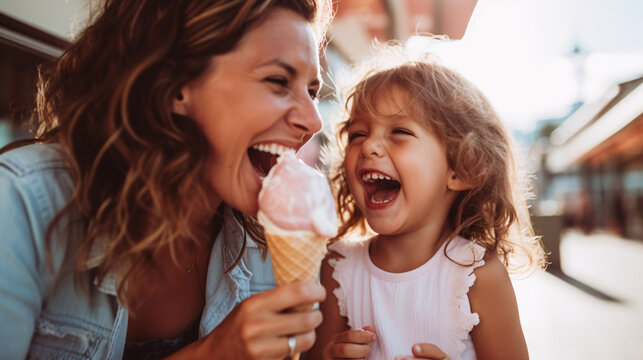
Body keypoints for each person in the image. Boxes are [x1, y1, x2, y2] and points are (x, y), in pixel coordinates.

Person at [0, 0, 333, 358]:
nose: (313, 121)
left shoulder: (271, 245)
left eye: (312, 92)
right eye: (279, 81)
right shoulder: (21, 204)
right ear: (174, 84)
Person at [308, 45, 546, 359]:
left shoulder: (478, 275)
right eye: (357, 134)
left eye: (400, 131)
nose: (368, 147)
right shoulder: (338, 266)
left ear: (462, 170)